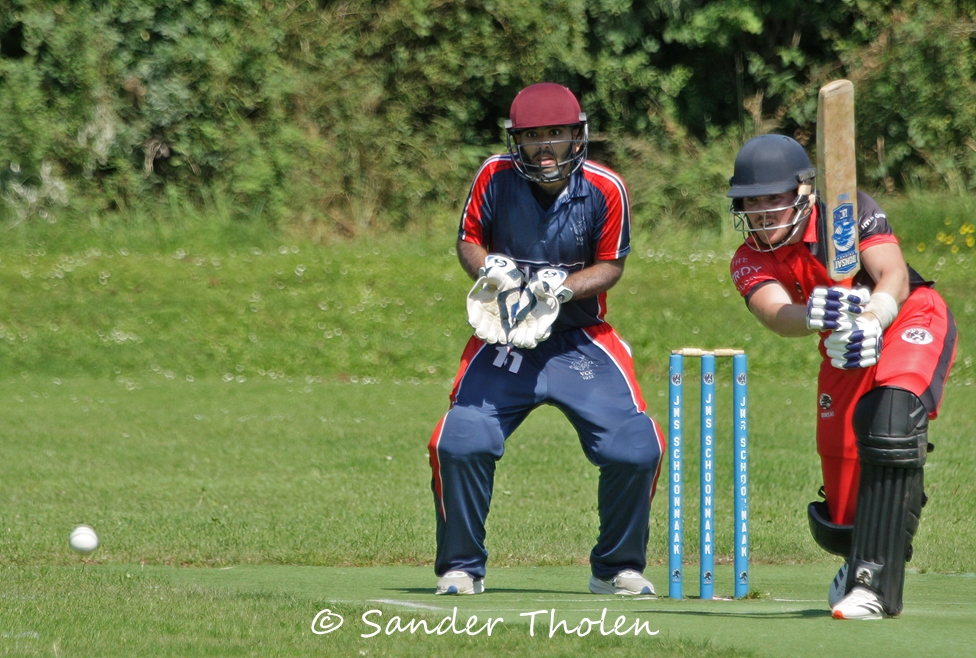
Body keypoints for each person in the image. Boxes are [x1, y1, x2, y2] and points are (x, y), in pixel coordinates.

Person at [427, 82, 665, 597]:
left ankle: (616, 568)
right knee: (460, 437)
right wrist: (490, 270)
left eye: (556, 133)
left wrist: (561, 289)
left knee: (636, 445)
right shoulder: (494, 175)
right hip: (507, 335)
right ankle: (461, 567)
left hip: (580, 337)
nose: (545, 146)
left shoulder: (606, 187)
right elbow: (469, 241)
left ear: (578, 136)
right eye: (533, 136)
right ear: (516, 140)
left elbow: (611, 265)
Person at [727, 134, 957, 620]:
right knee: (843, 503)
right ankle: (863, 554)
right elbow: (775, 314)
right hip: (842, 347)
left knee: (891, 421)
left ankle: (875, 585)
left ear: (803, 191)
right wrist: (815, 314)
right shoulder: (747, 258)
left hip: (907, 317)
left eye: (773, 198)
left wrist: (874, 315)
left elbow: (893, 274)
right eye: (752, 201)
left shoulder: (847, 214)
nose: (763, 212)